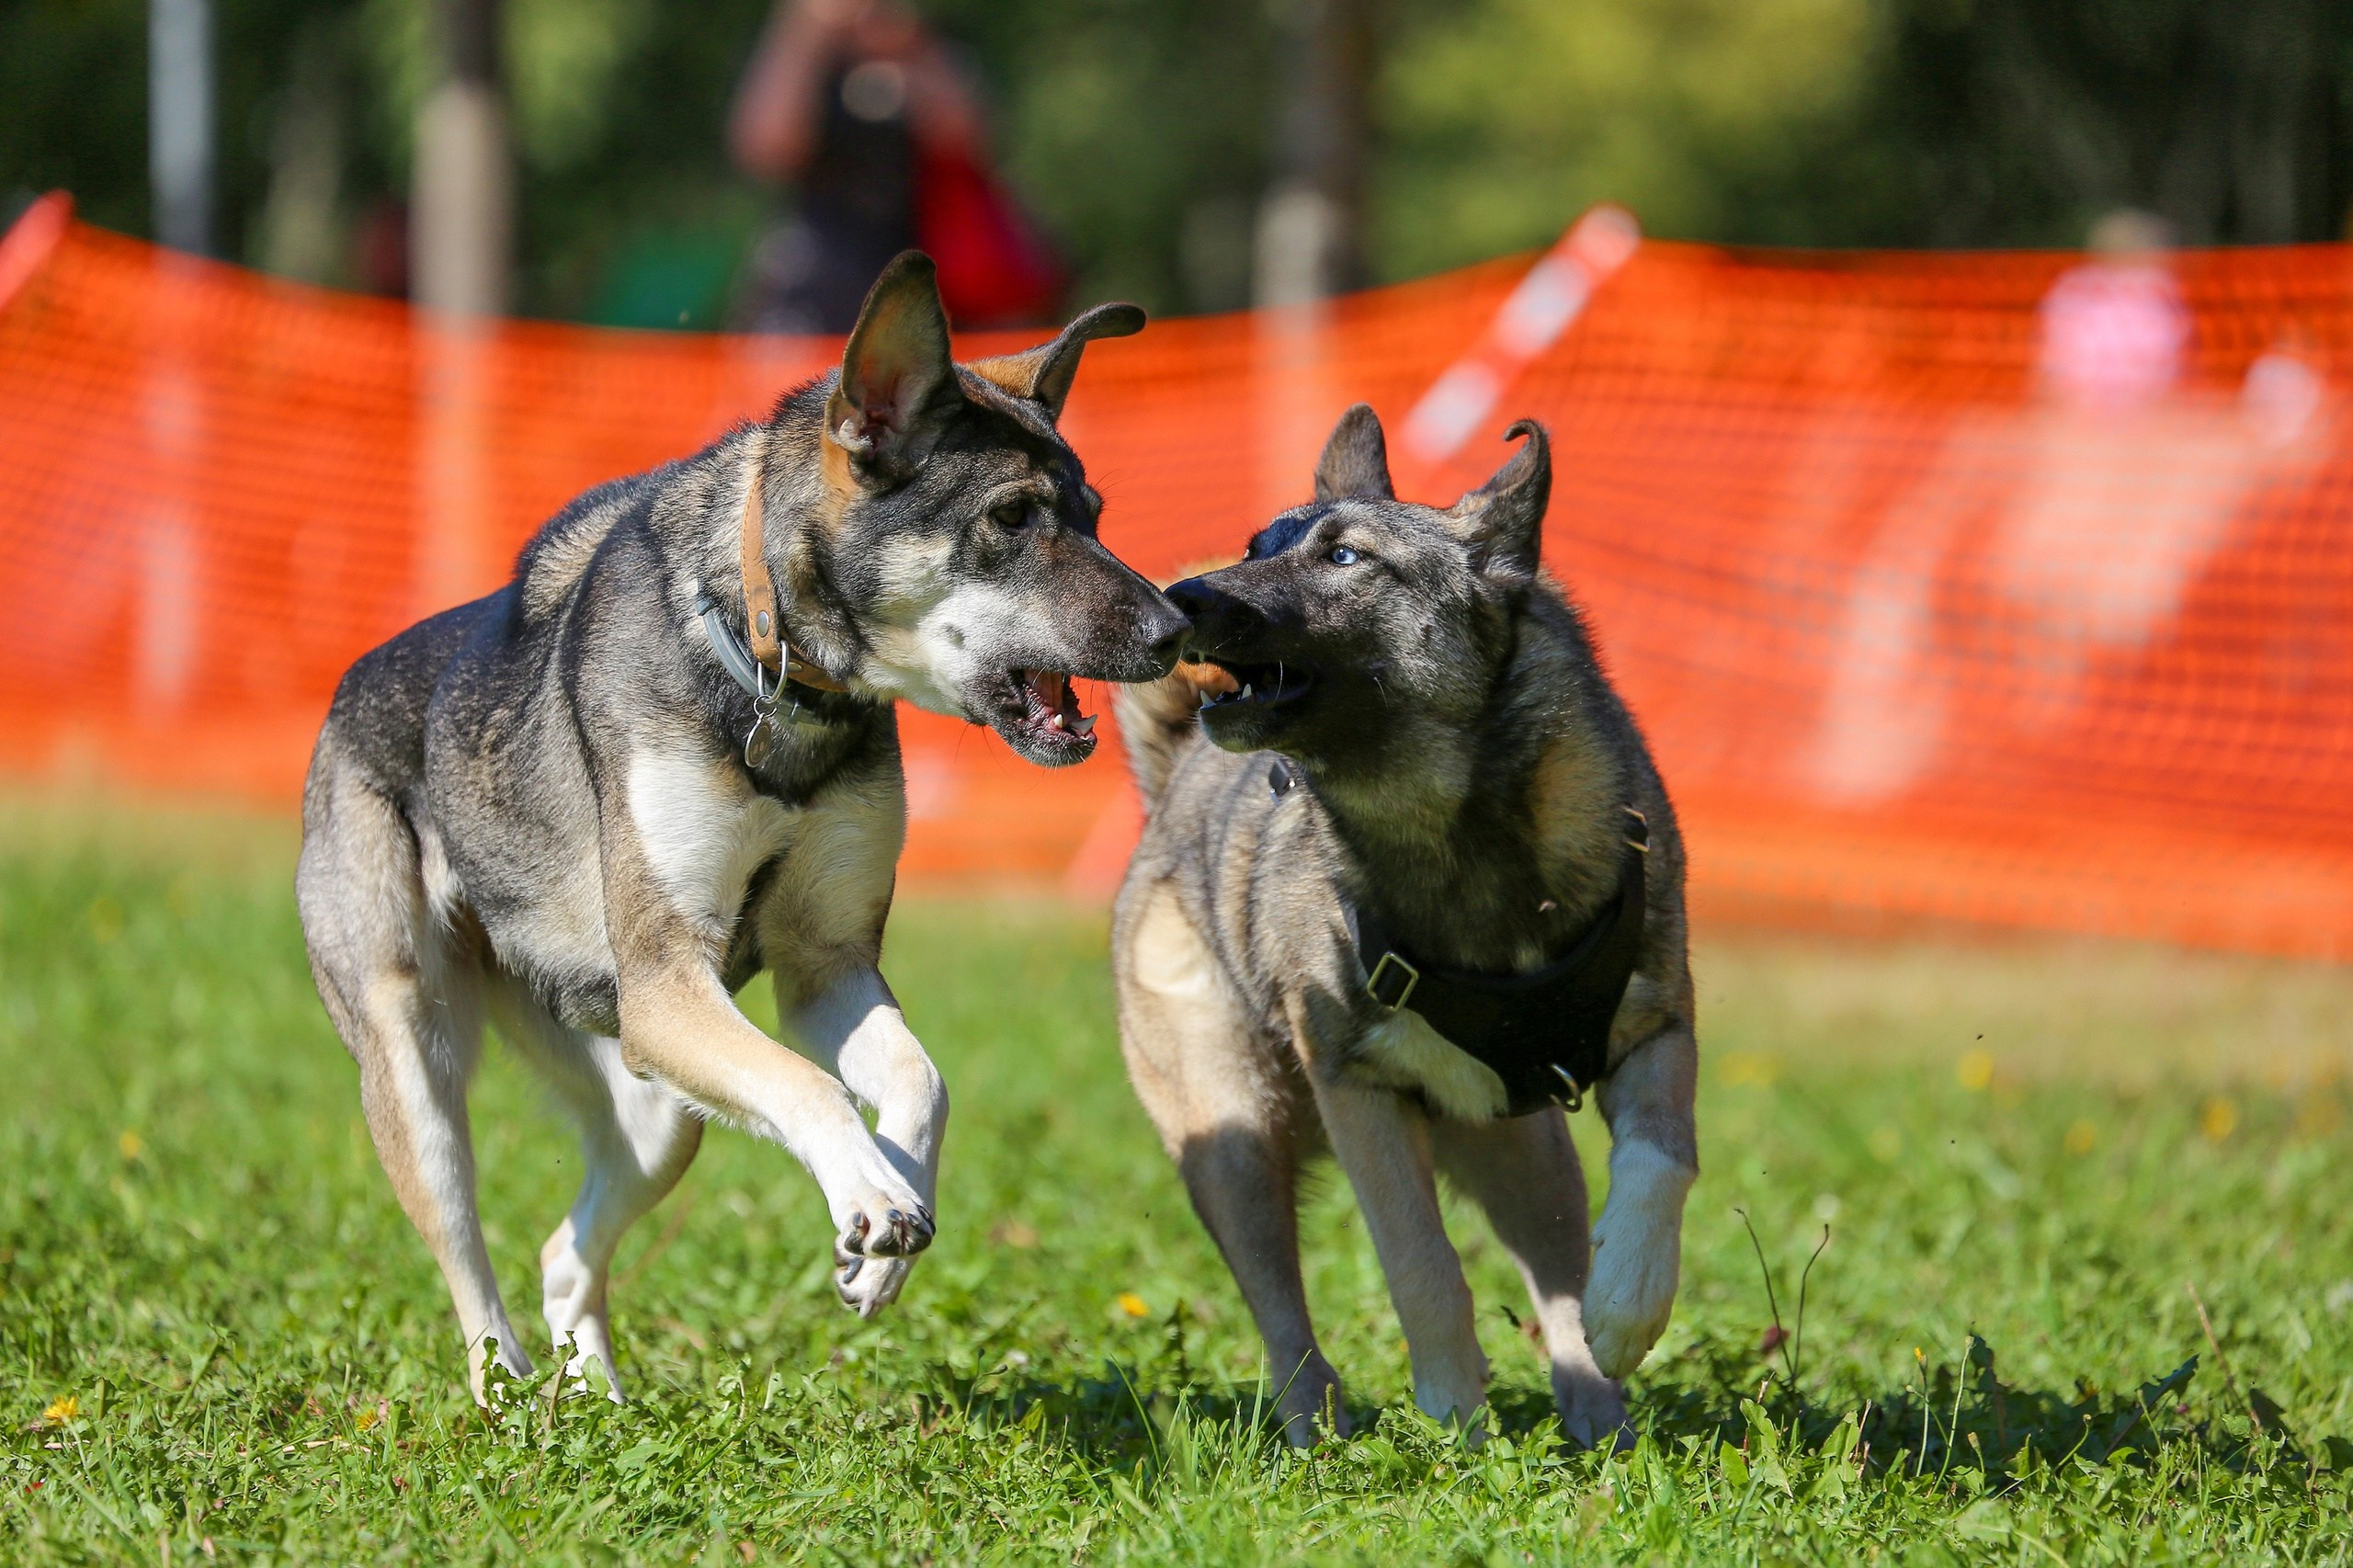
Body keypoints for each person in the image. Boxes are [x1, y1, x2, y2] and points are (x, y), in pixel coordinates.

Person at [729, 0, 1063, 333]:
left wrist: (906, 49)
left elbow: (970, 136)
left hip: (922, 275)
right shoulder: (807, 43)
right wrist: (807, 32)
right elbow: (765, 148)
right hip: (815, 277)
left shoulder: (918, 44)